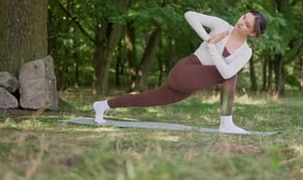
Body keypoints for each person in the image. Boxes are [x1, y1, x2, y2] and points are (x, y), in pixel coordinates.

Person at [93, 10, 267, 134]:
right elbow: (190, 15)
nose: (241, 22)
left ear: (253, 33)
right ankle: (226, 123)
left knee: (147, 98)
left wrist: (212, 47)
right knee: (230, 76)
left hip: (190, 85)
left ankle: (103, 105)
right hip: (185, 70)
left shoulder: (246, 52)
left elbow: (226, 71)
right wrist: (208, 39)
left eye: (247, 24)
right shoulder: (222, 26)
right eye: (243, 17)